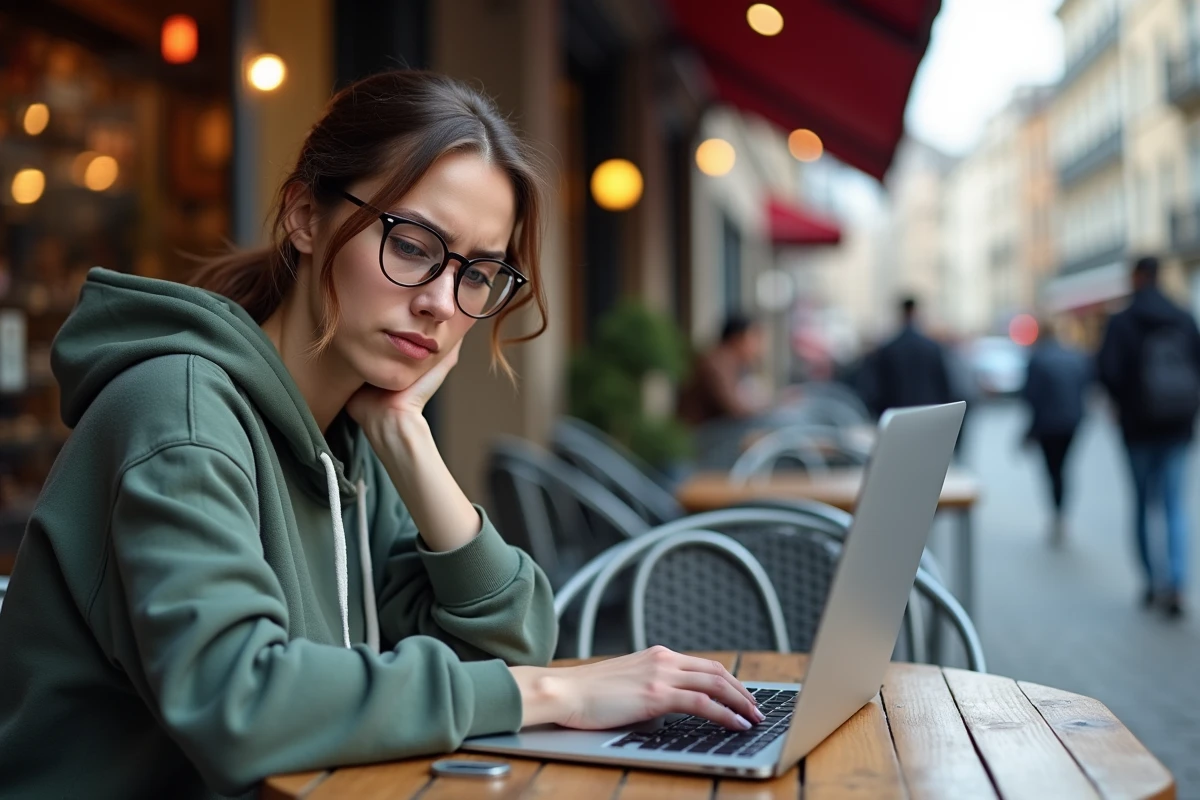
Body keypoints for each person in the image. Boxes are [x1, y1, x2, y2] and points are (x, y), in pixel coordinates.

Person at [0, 71, 762, 798]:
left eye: (477, 273)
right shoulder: (182, 416)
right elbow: (240, 703)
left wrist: (408, 440)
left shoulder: (346, 436)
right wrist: (557, 693)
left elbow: (507, 646)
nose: (442, 302)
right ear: (305, 216)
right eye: (413, 245)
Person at [1097, 255, 1200, 619]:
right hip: (1178, 427)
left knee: (1143, 504)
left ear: (1136, 277)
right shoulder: (1183, 317)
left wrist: (1124, 402)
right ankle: (1176, 583)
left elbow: (1107, 371)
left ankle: (1151, 582)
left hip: (1137, 428)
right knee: (1174, 505)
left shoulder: (1122, 321)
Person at [1021, 319, 1091, 546]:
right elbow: (1086, 387)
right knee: (1063, 468)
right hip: (1072, 422)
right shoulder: (1075, 356)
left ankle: (1057, 514)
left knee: (1053, 470)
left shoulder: (1038, 359)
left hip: (1048, 424)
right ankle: (1061, 514)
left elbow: (1030, 396)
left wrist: (1030, 431)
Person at [859, 296, 954, 418]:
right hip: (929, 410)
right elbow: (943, 385)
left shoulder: (889, 348)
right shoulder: (931, 347)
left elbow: (878, 389)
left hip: (898, 413)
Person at [678, 314, 769, 426]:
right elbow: (732, 408)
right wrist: (766, 408)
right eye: (754, 338)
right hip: (702, 430)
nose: (758, 347)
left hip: (713, 427)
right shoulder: (717, 363)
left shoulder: (731, 363)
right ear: (737, 338)